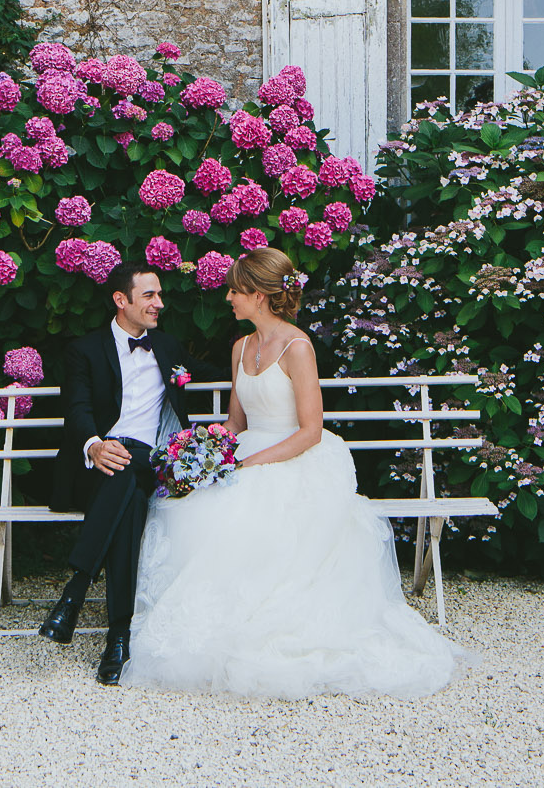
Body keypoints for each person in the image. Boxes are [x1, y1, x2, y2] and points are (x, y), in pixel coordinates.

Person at [121, 247, 468, 699]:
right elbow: (236, 423)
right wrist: (205, 452)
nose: (228, 297)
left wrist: (248, 464)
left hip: (296, 458)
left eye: (235, 290)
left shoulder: (297, 347)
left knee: (253, 513)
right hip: (248, 450)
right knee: (195, 506)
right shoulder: (241, 347)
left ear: (259, 296)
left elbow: (310, 431)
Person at [38, 262, 196, 685]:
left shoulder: (169, 347)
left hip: (147, 460)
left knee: (130, 472)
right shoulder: (84, 350)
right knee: (126, 489)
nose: (159, 303)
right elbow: (77, 409)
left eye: (159, 295)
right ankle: (118, 637)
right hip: (98, 466)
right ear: (120, 300)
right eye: (149, 295)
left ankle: (74, 594)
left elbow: (203, 385)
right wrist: (94, 445)